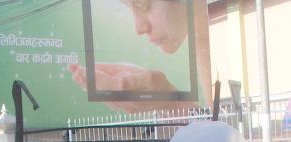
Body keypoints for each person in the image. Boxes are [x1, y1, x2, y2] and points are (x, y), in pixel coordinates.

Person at [67, 0, 212, 114]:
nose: (139, 28)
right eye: (130, 7)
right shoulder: (202, 36)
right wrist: (170, 101)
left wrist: (169, 101)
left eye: (144, 4)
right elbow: (217, 130)